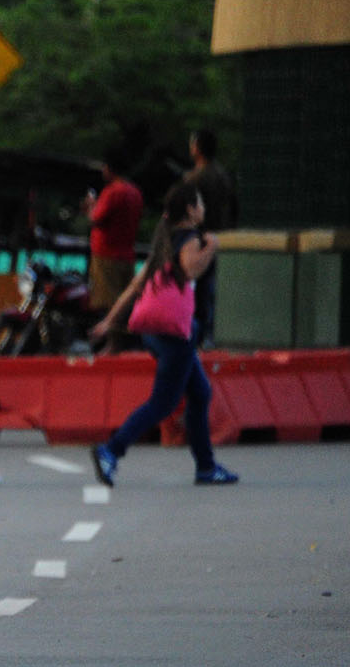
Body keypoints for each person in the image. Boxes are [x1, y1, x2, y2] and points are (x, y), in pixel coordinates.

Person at [88, 181, 239, 488]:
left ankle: (206, 467)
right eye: (200, 203)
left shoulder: (163, 242)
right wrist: (211, 245)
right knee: (164, 402)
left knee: (200, 393)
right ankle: (111, 450)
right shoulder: (189, 239)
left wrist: (110, 320)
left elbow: (136, 284)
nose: (203, 209)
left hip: (155, 331)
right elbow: (192, 268)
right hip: (175, 332)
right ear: (190, 209)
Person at [82, 149, 143, 356]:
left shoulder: (113, 192)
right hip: (127, 254)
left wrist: (91, 205)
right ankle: (121, 342)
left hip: (107, 255)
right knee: (124, 299)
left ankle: (114, 343)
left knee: (110, 301)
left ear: (109, 169)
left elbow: (96, 218)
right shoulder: (135, 192)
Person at [183, 128, 236, 349]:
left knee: (196, 289)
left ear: (197, 147)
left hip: (197, 239)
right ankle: (207, 335)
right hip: (218, 238)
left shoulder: (195, 177)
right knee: (209, 288)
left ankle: (193, 334)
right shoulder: (224, 176)